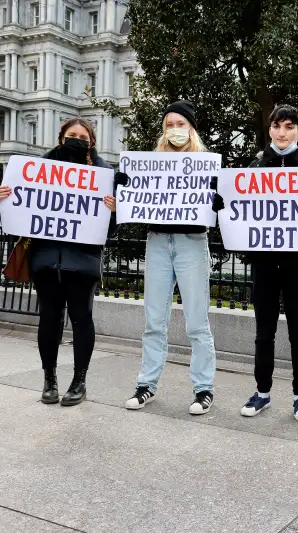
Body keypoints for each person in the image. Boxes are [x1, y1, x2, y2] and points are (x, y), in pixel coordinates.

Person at [215, 105, 298, 422]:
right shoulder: (256, 165)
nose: (282, 132)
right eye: (277, 126)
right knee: (263, 331)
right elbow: (241, 211)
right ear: (270, 130)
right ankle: (263, 393)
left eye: (289, 126)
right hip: (265, 263)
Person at [0, 117, 118, 406]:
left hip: (82, 261)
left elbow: (110, 229)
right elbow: (18, 215)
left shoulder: (104, 175)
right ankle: (50, 379)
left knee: (82, 319)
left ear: (91, 142)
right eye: (71, 134)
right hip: (46, 260)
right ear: (61, 138)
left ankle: (79, 381)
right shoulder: (35, 171)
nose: (77, 139)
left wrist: (113, 211)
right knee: (49, 319)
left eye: (82, 136)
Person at [123, 101, 218, 415]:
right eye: (170, 124)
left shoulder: (206, 163)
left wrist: (218, 199)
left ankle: (203, 389)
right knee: (154, 321)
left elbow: (221, 206)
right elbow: (135, 201)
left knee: (197, 323)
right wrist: (125, 189)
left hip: (192, 242)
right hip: (159, 242)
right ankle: (146, 384)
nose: (175, 129)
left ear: (191, 128)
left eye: (181, 123)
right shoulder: (151, 164)